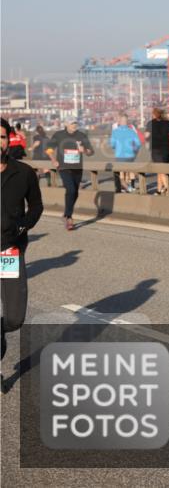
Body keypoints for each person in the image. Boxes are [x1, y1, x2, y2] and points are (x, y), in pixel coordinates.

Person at [1, 119, 43, 361]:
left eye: (2, 137)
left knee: (15, 318)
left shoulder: (23, 173)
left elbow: (36, 205)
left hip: (9, 252)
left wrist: (24, 224)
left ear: (9, 141)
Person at [45, 119, 94, 231]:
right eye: (72, 123)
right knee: (71, 190)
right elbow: (48, 149)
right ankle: (69, 217)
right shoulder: (59, 135)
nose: (74, 125)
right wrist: (53, 160)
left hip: (77, 168)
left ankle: (66, 215)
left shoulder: (81, 135)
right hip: (64, 167)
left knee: (74, 192)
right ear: (66, 124)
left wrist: (84, 151)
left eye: (76, 123)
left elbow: (91, 152)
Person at [145, 108, 169, 195]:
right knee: (162, 168)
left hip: (155, 148)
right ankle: (159, 190)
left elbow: (146, 136)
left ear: (154, 114)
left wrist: (147, 141)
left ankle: (167, 187)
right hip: (166, 148)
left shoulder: (150, 123)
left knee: (160, 169)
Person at [109, 113, 141, 193]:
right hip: (130, 155)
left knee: (121, 173)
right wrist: (133, 150)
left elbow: (112, 145)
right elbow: (138, 144)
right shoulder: (131, 131)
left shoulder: (115, 131)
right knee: (130, 170)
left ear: (120, 122)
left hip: (120, 155)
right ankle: (131, 186)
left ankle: (126, 188)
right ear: (127, 122)